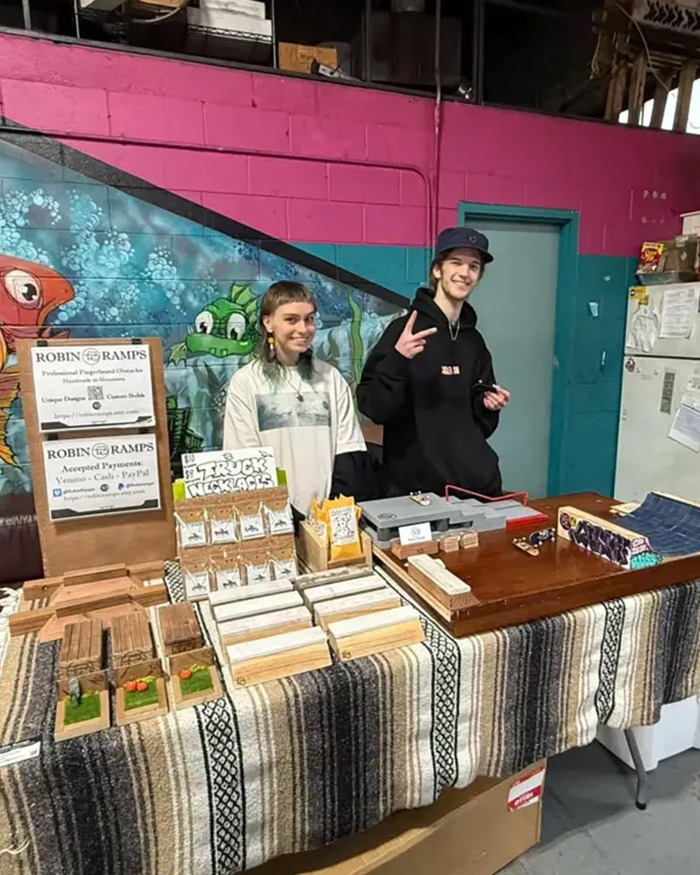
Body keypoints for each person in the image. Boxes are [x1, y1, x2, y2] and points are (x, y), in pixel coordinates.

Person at [357, 227, 510, 498]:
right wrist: (398, 359)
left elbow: (481, 427)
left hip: (473, 489)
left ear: (479, 276)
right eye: (456, 263)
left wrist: (487, 405)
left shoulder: (473, 341)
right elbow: (373, 407)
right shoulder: (405, 331)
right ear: (437, 270)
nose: (465, 273)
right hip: (416, 493)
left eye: (473, 266)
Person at [223, 281, 370, 517]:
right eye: (291, 319)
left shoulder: (330, 378)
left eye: (309, 319)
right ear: (268, 322)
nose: (303, 329)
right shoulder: (246, 382)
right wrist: (287, 517)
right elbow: (246, 460)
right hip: (274, 517)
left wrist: (332, 513)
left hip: (328, 517)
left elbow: (348, 451)